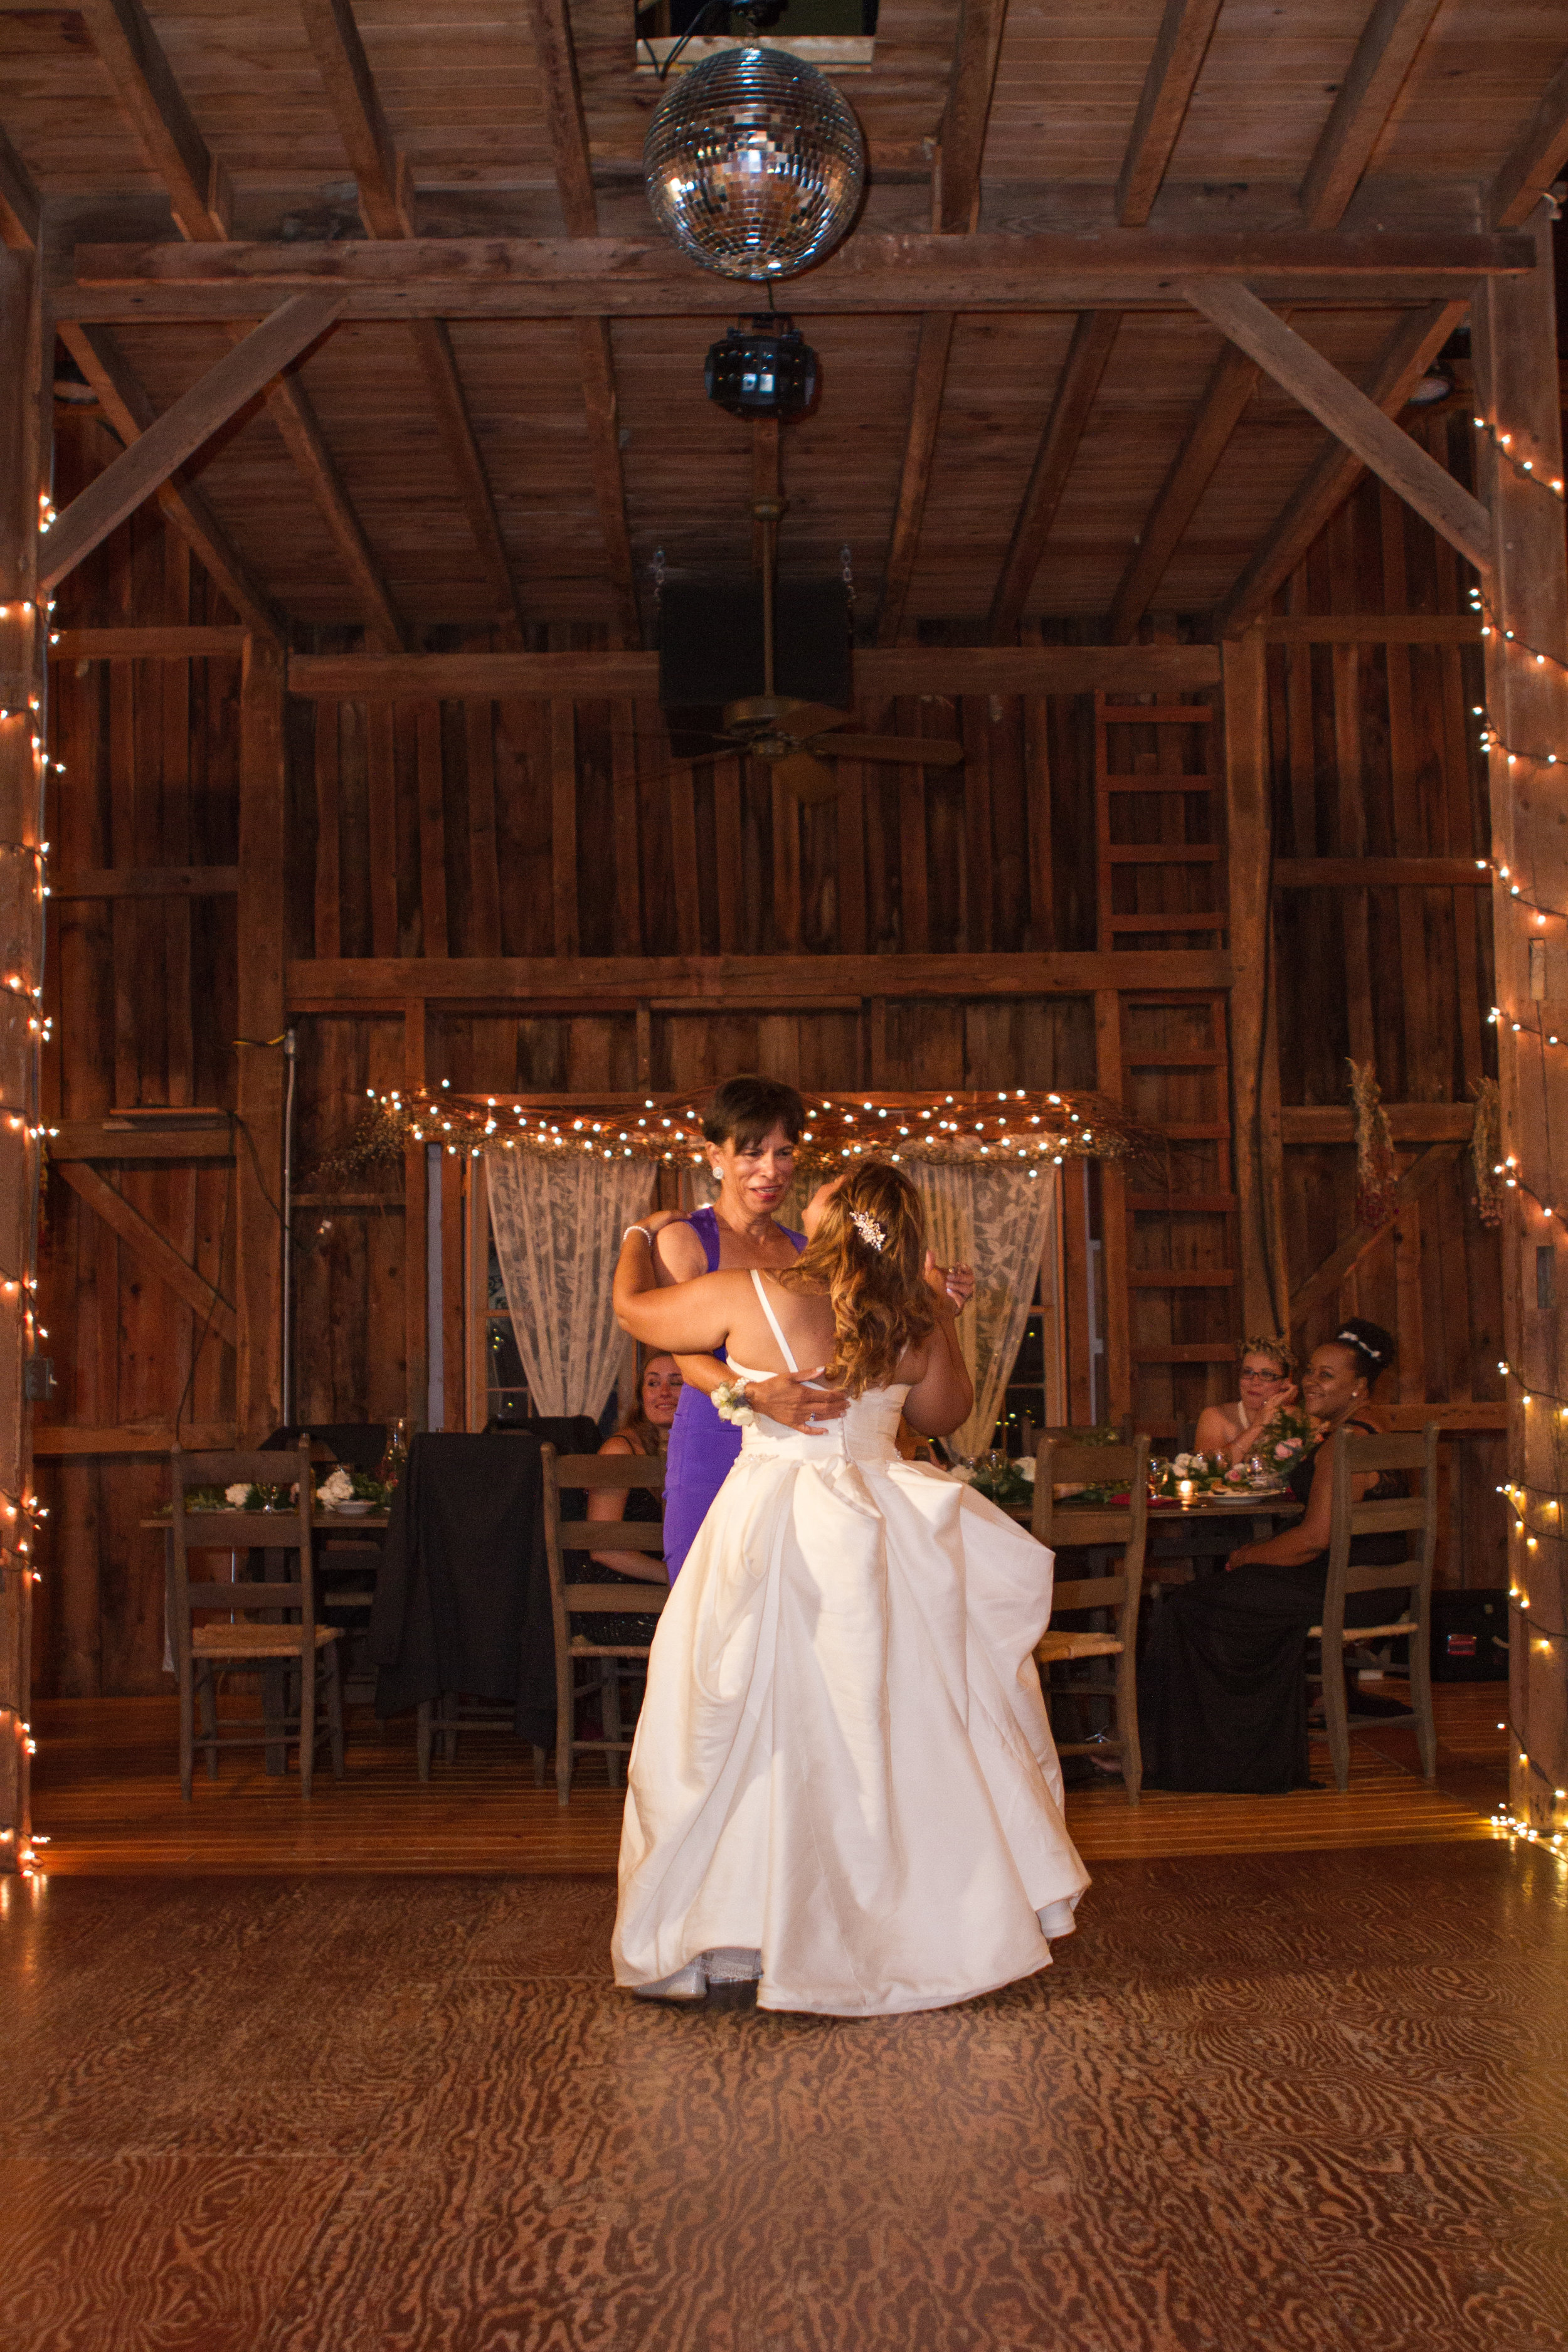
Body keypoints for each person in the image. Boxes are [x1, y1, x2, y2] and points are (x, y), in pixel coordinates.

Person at [609, 1160, 1089, 2016]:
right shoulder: (909, 1320)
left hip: (775, 1523)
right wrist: (939, 1309)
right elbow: (942, 1417)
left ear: (832, 1219)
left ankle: (734, 1932)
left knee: (749, 1723)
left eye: (821, 1192)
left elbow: (635, 1312)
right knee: (901, 1728)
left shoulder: (753, 1293)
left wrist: (638, 1234)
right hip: (883, 1529)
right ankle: (915, 1926)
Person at [647, 1074, 973, 1579]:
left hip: (814, 1438)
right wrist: (750, 1394)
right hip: (719, 1433)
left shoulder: (811, 1246)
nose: (771, 1171)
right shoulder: (686, 1238)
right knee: (711, 1594)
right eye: (752, 1154)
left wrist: (929, 1308)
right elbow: (681, 1353)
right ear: (715, 1156)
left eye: (784, 1153)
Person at [1138, 1318, 1405, 1795]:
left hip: (1343, 1585)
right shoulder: (1380, 1426)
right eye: (1310, 1372)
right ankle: (1237, 1748)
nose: (1309, 1383)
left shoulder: (1343, 1445)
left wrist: (1248, 1556)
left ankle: (1213, 1758)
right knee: (1221, 1600)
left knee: (1189, 1606)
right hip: (1375, 1581)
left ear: (1360, 1387)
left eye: (1326, 1376)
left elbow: (1313, 1539)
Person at [581, 1352, 682, 1647]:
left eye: (676, 1383)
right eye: (653, 1384)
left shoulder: (695, 1453)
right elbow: (603, 1550)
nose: (664, 1393)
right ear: (641, 1396)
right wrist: (676, 1577)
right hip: (617, 1601)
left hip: (666, 1595)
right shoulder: (619, 1449)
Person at [1193, 1337, 1297, 1466]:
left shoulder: (1299, 1420)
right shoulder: (1214, 1417)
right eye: (1248, 1372)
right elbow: (1206, 1469)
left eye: (1267, 1375)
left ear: (1285, 1384)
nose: (1255, 1382)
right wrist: (1258, 1425)